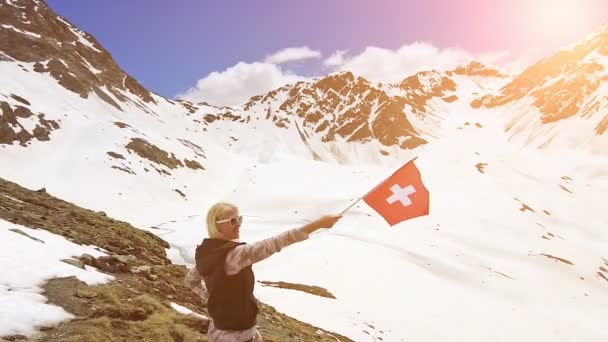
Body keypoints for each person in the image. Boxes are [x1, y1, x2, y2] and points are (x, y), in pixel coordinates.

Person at [184, 202, 342, 342]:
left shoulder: (208, 253)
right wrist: (318, 224)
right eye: (232, 221)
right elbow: (275, 242)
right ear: (217, 225)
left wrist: (214, 301)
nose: (238, 224)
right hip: (235, 334)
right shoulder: (235, 254)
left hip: (219, 330)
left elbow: (190, 280)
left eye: (239, 219)